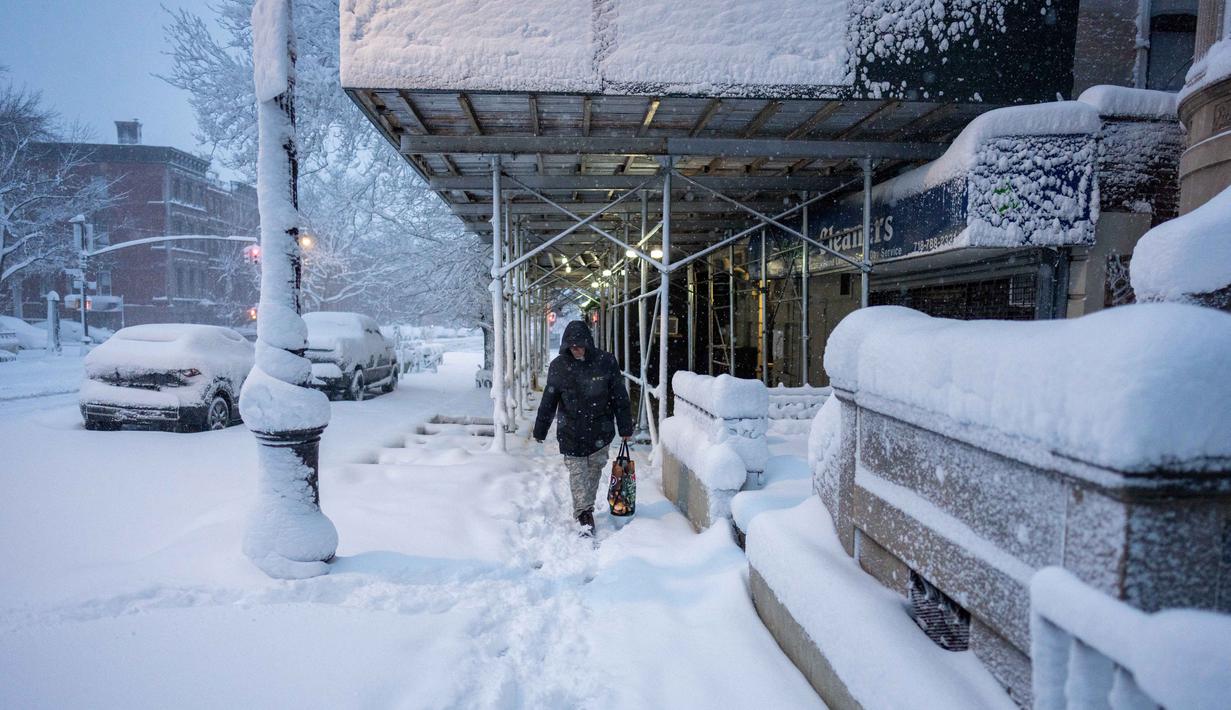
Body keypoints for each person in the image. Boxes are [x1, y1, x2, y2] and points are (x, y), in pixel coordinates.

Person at [533, 319, 634, 537]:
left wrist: (625, 426)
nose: (576, 349)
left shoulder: (606, 362)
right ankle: (584, 515)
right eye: (572, 346)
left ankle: (585, 507)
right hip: (570, 432)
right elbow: (549, 400)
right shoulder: (559, 366)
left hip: (600, 430)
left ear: (588, 342)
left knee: (593, 472)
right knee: (578, 474)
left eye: (580, 345)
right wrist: (540, 429)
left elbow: (619, 397)